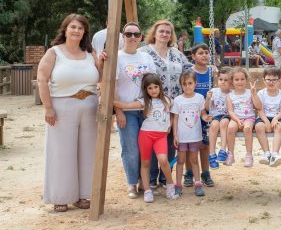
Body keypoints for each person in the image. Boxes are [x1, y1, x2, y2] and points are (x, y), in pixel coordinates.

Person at [38, 14, 103, 212]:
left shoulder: (90, 53)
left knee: (88, 152)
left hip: (90, 106)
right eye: (73, 27)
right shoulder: (54, 52)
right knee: (61, 153)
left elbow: (101, 77)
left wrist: (102, 62)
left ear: (85, 32)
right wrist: (48, 107)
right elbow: (42, 80)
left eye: (80, 28)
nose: (76, 31)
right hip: (62, 106)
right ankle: (61, 197)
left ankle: (84, 196)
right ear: (65, 29)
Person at [140, 20, 192, 190]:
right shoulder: (144, 52)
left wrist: (207, 67)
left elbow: (189, 69)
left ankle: (165, 176)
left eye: (168, 32)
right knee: (152, 139)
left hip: (173, 104)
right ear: (154, 33)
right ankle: (151, 177)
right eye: (161, 31)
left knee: (169, 143)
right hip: (152, 105)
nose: (164, 34)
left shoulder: (176, 53)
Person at [114, 73, 179, 202]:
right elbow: (127, 106)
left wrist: (170, 125)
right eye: (150, 88)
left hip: (161, 136)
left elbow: (174, 114)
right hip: (146, 135)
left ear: (160, 87)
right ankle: (147, 190)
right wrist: (110, 101)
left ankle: (170, 185)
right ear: (146, 90)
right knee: (145, 162)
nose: (153, 90)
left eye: (155, 87)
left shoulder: (168, 100)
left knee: (163, 160)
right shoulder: (144, 102)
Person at [113, 22, 156, 199]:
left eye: (136, 34)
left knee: (147, 147)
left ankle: (144, 182)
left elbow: (153, 82)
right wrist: (118, 111)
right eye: (128, 34)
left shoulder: (146, 57)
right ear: (123, 36)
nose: (132, 37)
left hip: (145, 110)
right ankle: (132, 182)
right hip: (126, 110)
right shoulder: (117, 57)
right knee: (131, 148)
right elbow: (113, 86)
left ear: (141, 37)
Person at [171, 72, 210, 197]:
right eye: (184, 84)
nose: (187, 86)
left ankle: (198, 184)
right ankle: (178, 185)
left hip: (195, 136)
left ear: (195, 84)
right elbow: (175, 119)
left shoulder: (199, 98)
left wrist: (206, 117)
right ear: (181, 85)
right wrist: (175, 135)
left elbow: (202, 113)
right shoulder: (178, 100)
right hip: (181, 137)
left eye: (190, 83)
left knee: (194, 160)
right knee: (180, 161)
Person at [185, 43, 215, 187]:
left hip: (206, 113)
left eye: (206, 53)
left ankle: (205, 173)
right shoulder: (189, 72)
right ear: (193, 56)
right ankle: (189, 173)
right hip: (191, 113)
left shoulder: (212, 72)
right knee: (190, 145)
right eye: (201, 53)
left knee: (205, 145)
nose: (204, 55)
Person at [225, 67, 261, 167]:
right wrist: (237, 120)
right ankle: (230, 154)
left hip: (249, 117)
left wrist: (254, 94)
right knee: (230, 128)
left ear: (246, 80)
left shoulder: (250, 92)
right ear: (232, 81)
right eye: (236, 79)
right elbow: (230, 111)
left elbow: (258, 106)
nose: (240, 82)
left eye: (242, 79)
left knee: (247, 129)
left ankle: (249, 155)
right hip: (236, 118)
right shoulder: (230, 95)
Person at [255, 67, 281, 167]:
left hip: (278, 117)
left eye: (274, 80)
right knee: (259, 127)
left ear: (279, 81)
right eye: (268, 79)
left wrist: (275, 118)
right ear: (264, 80)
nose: (271, 82)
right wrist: (266, 121)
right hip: (263, 117)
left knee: (279, 127)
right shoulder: (261, 93)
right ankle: (266, 153)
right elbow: (259, 110)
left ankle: (275, 154)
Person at [206, 67, 232, 169]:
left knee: (224, 122)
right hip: (215, 116)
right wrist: (208, 98)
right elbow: (207, 108)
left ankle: (223, 150)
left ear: (231, 82)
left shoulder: (232, 93)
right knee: (214, 125)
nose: (223, 82)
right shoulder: (214, 91)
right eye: (221, 79)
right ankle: (212, 153)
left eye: (226, 80)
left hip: (227, 116)